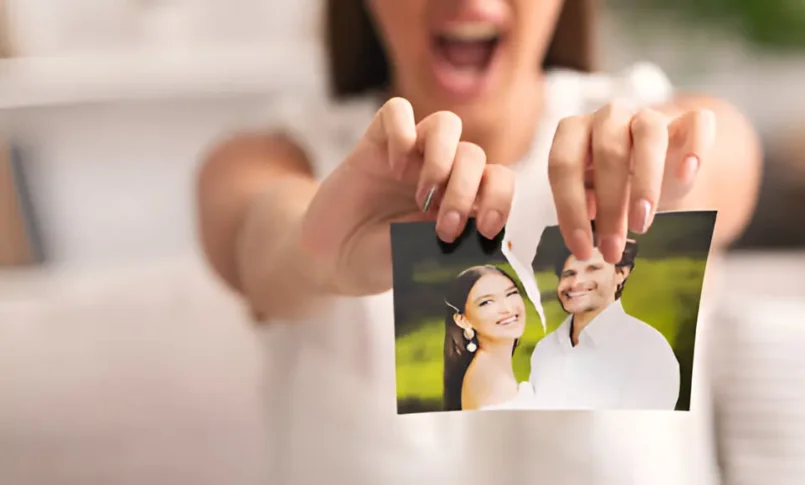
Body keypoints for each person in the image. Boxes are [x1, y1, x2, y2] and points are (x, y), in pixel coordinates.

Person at [195, 0, 762, 483]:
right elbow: (263, 238)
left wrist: (660, 163)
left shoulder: (651, 123)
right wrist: (315, 253)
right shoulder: (276, 157)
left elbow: (720, 156)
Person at [531, 239, 680, 410]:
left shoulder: (649, 350)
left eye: (593, 269)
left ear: (621, 273)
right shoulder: (545, 349)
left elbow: (645, 433)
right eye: (569, 273)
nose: (576, 282)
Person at [441, 265, 536, 411]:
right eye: (486, 302)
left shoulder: (488, 366)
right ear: (463, 320)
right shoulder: (489, 381)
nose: (508, 308)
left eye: (511, 294)